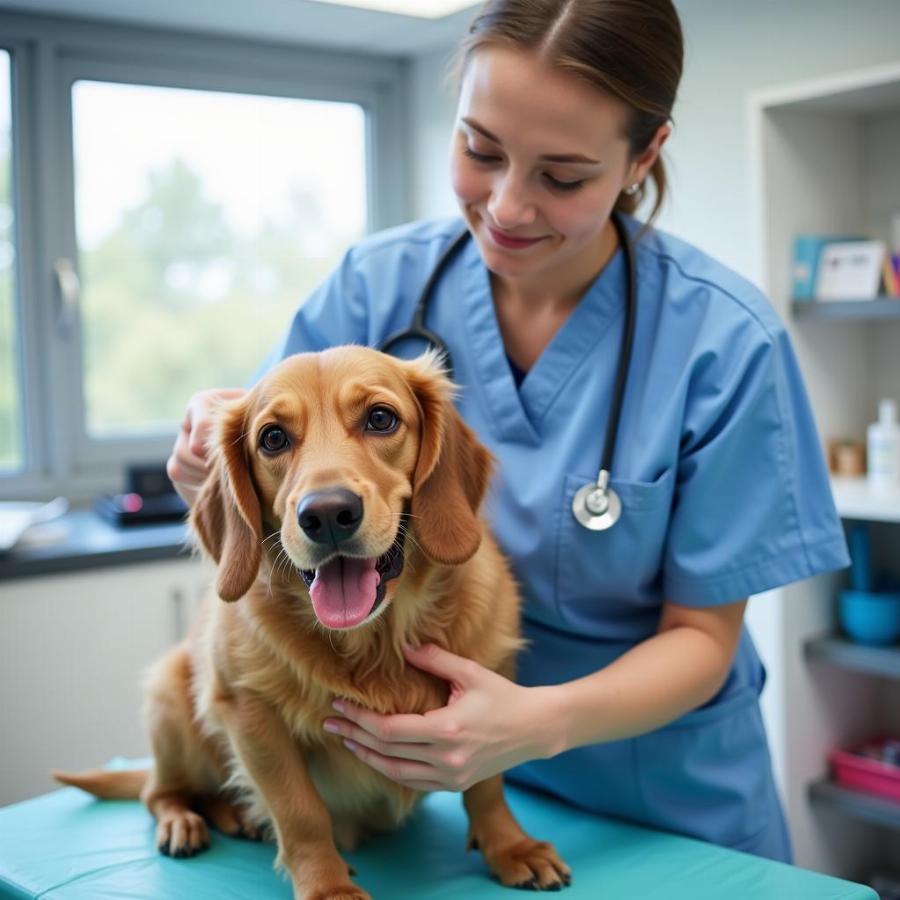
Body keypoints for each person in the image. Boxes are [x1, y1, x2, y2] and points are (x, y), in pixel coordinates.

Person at [167, 0, 849, 864]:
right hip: (431, 806)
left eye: (562, 176)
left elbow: (703, 640)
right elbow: (281, 468)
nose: (508, 206)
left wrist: (537, 723)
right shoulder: (375, 284)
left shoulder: (725, 344)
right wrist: (204, 455)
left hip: (659, 801)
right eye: (479, 150)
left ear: (643, 156)